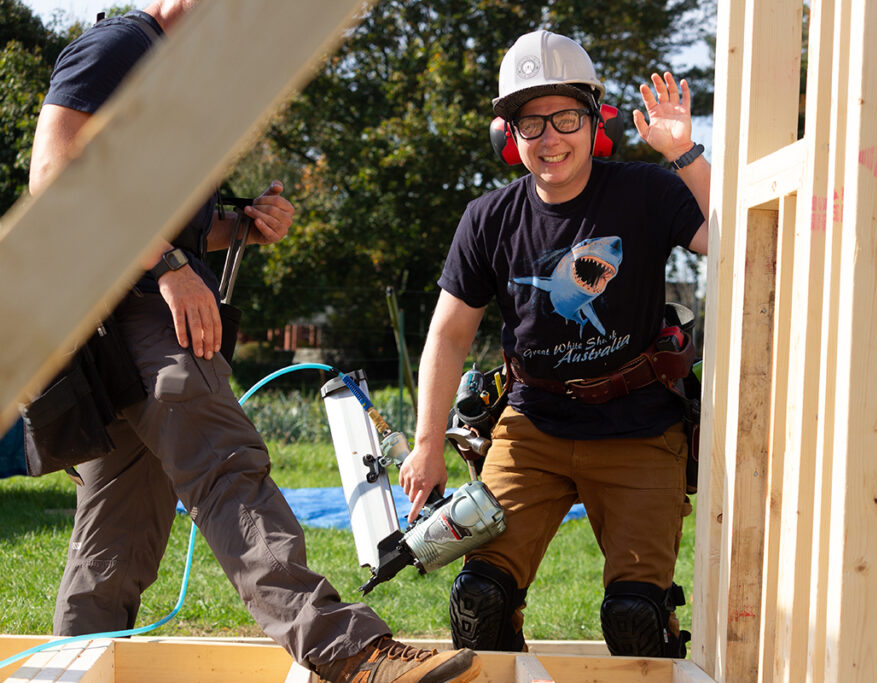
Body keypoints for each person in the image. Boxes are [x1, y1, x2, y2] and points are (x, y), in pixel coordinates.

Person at [28, 3, 481, 682]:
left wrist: (238, 227)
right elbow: (54, 171)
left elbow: (164, 218)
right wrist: (169, 267)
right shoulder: (124, 44)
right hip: (140, 304)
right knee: (227, 468)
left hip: (110, 314)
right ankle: (346, 649)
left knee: (117, 531)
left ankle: (69, 668)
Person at [399, 29, 710, 658]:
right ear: (508, 137)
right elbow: (449, 331)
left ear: (593, 121)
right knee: (478, 604)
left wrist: (684, 154)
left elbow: (735, 242)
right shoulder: (488, 218)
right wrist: (427, 446)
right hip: (532, 426)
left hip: (640, 427)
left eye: (565, 116)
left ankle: (655, 633)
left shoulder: (646, 192)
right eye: (529, 122)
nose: (549, 138)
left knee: (635, 618)